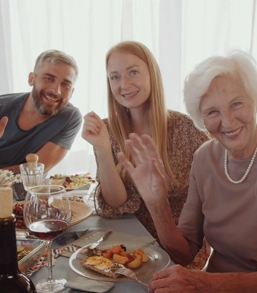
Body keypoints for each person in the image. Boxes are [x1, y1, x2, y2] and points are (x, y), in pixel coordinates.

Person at [117, 51, 257, 293]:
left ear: (255, 100)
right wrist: (157, 203)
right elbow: (184, 251)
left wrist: (203, 286)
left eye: (237, 103)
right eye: (212, 112)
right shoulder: (205, 157)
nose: (227, 121)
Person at [81, 41, 210, 261]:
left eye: (133, 72)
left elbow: (209, 201)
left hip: (177, 252)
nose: (124, 84)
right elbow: (116, 203)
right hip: (127, 247)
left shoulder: (187, 129)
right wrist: (102, 148)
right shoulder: (107, 130)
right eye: (115, 77)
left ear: (152, 74)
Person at [0, 49, 82, 172]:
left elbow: (38, 168)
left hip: (29, 192)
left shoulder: (69, 118)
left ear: (72, 92)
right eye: (49, 79)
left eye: (66, 84)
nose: (56, 90)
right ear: (32, 79)